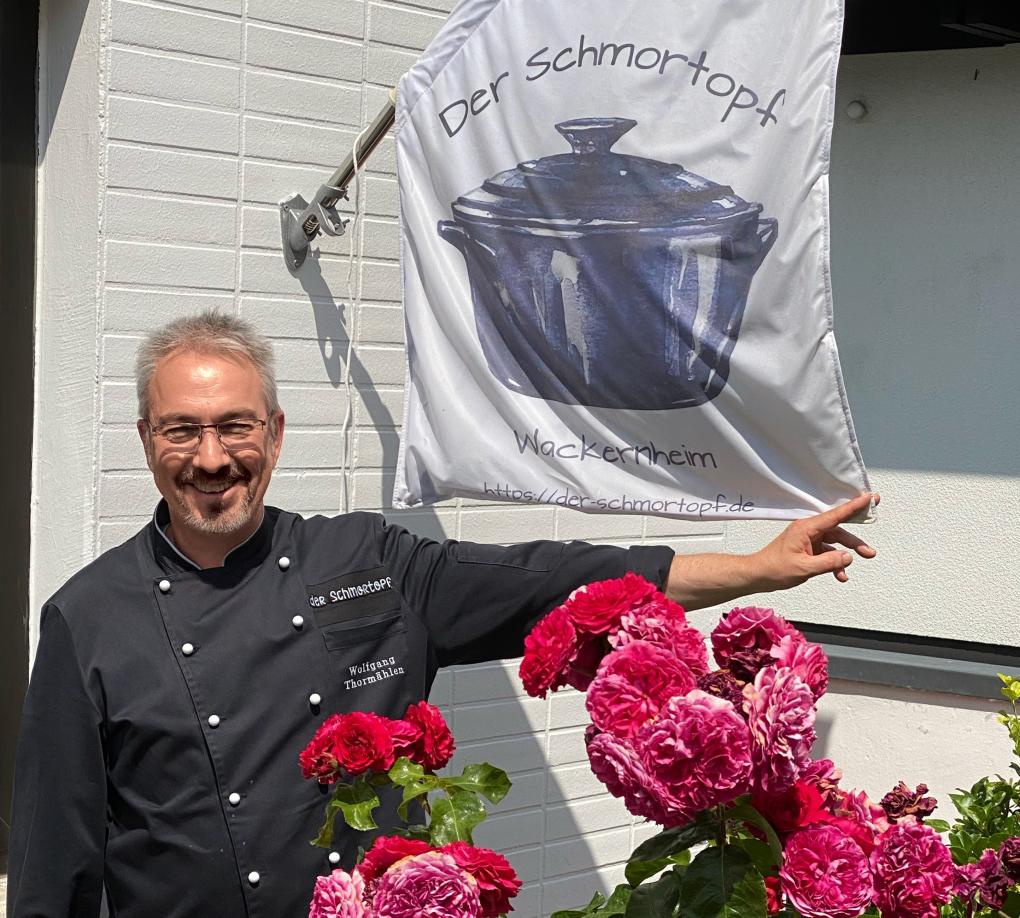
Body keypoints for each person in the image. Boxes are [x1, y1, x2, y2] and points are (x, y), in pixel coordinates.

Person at [7, 312, 877, 917]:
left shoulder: (364, 561)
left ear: (274, 434)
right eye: (181, 430)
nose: (210, 458)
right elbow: (55, 860)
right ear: (146, 440)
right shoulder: (89, 617)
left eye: (235, 427)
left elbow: (554, 581)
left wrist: (756, 569)